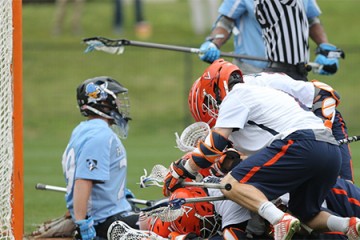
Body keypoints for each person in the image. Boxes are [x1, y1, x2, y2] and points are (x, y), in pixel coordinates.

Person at [163, 61, 360, 240]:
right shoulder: (264, 96)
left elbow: (212, 146)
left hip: (301, 144)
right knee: (306, 213)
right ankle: (348, 225)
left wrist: (181, 169)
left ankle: (279, 219)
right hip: (328, 148)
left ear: (213, 92)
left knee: (231, 184)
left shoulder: (236, 95)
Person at [189, 59, 353, 182]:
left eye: (213, 106)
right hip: (297, 141)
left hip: (324, 124)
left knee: (343, 189)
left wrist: (322, 130)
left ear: (216, 92)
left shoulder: (260, 83)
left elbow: (326, 93)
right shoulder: (237, 114)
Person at [61, 76, 139, 240]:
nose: (119, 104)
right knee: (168, 221)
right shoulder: (100, 135)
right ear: (103, 102)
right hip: (105, 221)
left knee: (160, 210)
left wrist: (118, 194)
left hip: (110, 212)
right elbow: (83, 181)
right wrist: (83, 225)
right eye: (115, 99)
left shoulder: (84, 129)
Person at [198, 0, 344, 79]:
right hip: (252, 72)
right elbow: (226, 22)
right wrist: (213, 43)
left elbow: (311, 19)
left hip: (293, 74)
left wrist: (325, 47)